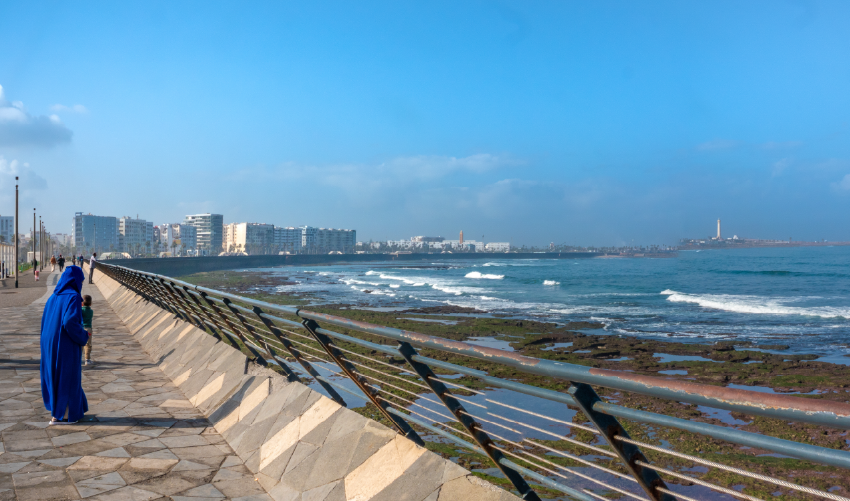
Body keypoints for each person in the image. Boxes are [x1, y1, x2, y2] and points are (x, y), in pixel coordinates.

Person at [40, 266, 89, 425]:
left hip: (48, 342)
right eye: (81, 281)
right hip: (64, 342)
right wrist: (83, 336)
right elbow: (69, 321)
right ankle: (63, 415)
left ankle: (68, 410)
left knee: (55, 374)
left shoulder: (52, 298)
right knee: (67, 375)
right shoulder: (74, 297)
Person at [81, 295, 94, 365]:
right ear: (90, 303)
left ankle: (78, 358)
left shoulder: (81, 310)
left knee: (80, 344)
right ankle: (87, 359)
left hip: (81, 328)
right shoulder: (91, 311)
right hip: (88, 328)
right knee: (88, 344)